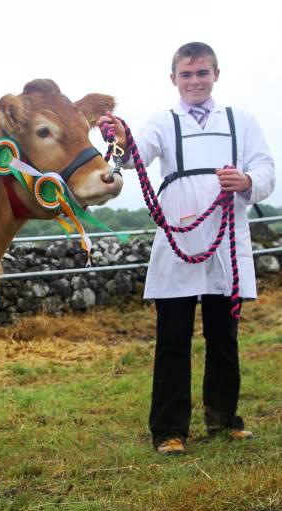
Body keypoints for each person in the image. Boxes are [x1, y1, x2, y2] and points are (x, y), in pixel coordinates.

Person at [98, 42, 275, 455]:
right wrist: (120, 138)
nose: (195, 81)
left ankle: (224, 419)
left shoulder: (241, 121)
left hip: (225, 237)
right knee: (173, 337)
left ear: (216, 74)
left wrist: (247, 181)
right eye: (187, 74)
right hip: (179, 238)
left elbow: (266, 168)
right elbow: (134, 156)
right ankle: (169, 430)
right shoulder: (164, 122)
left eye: (202, 73)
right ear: (174, 79)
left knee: (223, 336)